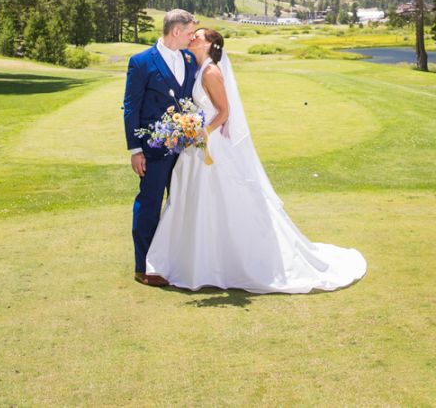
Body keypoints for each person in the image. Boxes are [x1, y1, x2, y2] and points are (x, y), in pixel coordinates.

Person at [144, 28, 366, 293]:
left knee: (215, 198)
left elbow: (225, 112)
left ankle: (221, 262)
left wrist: (203, 131)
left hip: (210, 145)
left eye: (198, 36)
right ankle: (194, 260)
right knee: (193, 199)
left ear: (210, 44)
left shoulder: (212, 71)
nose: (193, 38)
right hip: (198, 145)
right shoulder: (200, 68)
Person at [122, 8, 197, 286]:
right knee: (150, 203)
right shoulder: (141, 62)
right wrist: (135, 150)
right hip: (153, 151)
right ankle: (144, 267)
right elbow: (131, 108)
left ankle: (174, 261)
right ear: (176, 31)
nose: (192, 37)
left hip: (186, 150)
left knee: (180, 205)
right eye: (189, 33)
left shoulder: (189, 58)